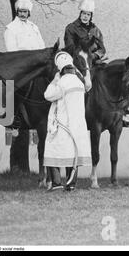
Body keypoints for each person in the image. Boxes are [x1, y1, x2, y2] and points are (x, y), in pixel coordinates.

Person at [64, 0, 129, 127]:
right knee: (80, 85)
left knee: (114, 79)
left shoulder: (95, 29)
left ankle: (120, 114)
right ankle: (79, 114)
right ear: (80, 14)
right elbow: (69, 47)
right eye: (83, 13)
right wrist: (84, 56)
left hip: (95, 62)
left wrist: (95, 56)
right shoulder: (71, 28)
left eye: (88, 14)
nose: (85, 16)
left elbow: (102, 49)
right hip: (79, 63)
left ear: (91, 16)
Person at [4, 0, 46, 171]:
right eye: (20, 11)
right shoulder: (10, 29)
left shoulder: (34, 28)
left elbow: (41, 45)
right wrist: (27, 59)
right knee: (18, 87)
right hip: (20, 65)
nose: (23, 14)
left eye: (25, 12)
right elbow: (11, 50)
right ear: (17, 12)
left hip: (35, 64)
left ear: (29, 12)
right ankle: (15, 116)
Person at [44, 51, 92, 191]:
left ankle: (57, 183)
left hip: (62, 124)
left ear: (60, 68)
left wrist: (55, 80)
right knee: (73, 154)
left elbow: (48, 95)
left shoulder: (62, 82)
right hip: (77, 124)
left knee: (52, 149)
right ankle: (71, 184)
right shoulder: (79, 82)